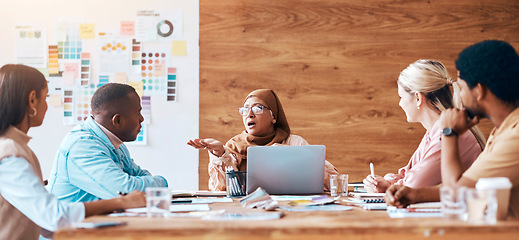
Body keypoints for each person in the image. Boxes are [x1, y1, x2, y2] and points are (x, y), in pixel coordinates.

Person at [0, 64, 145, 240]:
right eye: (45, 98)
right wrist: (121, 201)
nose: (47, 107)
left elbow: (42, 223)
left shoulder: (18, 148)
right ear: (32, 100)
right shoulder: (9, 152)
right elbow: (54, 216)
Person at [386, 40, 519, 219]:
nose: (460, 97)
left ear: (479, 91)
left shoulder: (515, 137)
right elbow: (468, 184)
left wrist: (449, 133)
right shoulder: (503, 131)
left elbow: (457, 193)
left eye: (462, 88)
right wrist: (415, 195)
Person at [363, 60, 485, 193]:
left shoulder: (445, 132)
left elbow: (414, 184)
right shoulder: (434, 131)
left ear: (418, 98)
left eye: (401, 97)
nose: (400, 104)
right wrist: (388, 183)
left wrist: (389, 186)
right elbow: (409, 173)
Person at [188, 89, 339, 191]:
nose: (249, 114)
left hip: (291, 210)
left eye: (257, 108)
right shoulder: (232, 147)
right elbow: (220, 189)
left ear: (274, 116)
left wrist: (292, 156)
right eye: (245, 110)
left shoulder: (294, 143)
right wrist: (219, 153)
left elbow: (333, 183)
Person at [46, 83, 167, 202]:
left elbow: (139, 176)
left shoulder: (114, 143)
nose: (142, 119)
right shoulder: (82, 146)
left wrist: (141, 183)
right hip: (73, 221)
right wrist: (161, 182)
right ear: (117, 120)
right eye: (137, 113)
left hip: (100, 219)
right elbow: (126, 192)